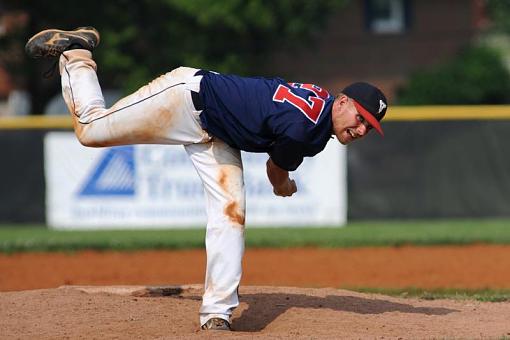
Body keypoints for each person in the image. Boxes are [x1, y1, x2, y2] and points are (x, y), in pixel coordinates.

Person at [25, 27, 388, 331]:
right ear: (342, 102)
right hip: (188, 98)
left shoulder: (320, 110)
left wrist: (283, 171)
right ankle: (77, 53)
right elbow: (275, 171)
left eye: (369, 127)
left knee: (231, 213)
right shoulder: (307, 130)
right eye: (360, 118)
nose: (360, 129)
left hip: (218, 132)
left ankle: (217, 313)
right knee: (91, 130)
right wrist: (284, 184)